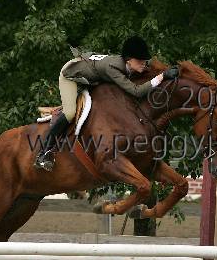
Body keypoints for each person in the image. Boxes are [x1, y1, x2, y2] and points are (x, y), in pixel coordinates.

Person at [34, 36, 178, 171]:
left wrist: (166, 72)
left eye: (144, 60)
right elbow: (136, 91)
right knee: (70, 112)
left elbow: (149, 71)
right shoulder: (113, 68)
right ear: (129, 60)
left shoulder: (128, 64)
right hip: (70, 75)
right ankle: (43, 152)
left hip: (91, 75)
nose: (144, 63)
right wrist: (162, 76)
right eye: (140, 60)